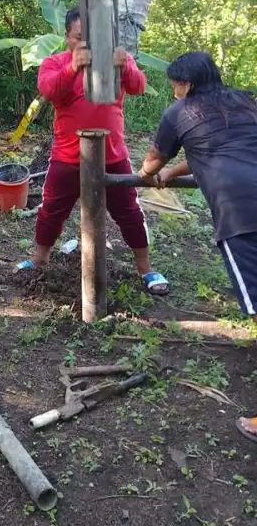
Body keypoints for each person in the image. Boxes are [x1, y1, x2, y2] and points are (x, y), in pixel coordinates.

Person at [137, 51, 257, 441]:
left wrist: (153, 171)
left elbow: (151, 164)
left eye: (175, 82)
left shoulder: (179, 112)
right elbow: (217, 147)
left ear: (186, 84)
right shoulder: (244, 101)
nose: (174, 89)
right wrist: (178, 169)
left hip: (240, 212)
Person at [15, 5, 169, 296]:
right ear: (66, 37)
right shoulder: (55, 62)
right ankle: (39, 259)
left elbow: (138, 86)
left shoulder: (116, 60)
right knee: (52, 211)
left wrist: (126, 65)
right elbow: (48, 90)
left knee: (129, 212)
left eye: (92, 37)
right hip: (68, 155)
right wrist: (74, 66)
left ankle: (145, 268)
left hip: (113, 155)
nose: (85, 44)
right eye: (78, 38)